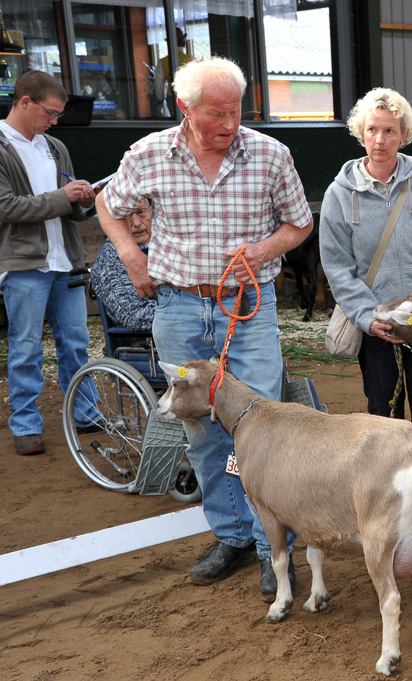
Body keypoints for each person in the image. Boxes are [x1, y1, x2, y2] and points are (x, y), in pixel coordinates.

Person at [95, 57, 313, 599]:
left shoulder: (270, 154)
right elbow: (108, 203)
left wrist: (263, 249)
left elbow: (299, 221)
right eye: (216, 113)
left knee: (265, 427)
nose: (230, 123)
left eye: (236, 111)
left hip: (249, 309)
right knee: (202, 429)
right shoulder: (147, 155)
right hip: (181, 309)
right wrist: (128, 252)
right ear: (186, 110)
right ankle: (233, 535)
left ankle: (273, 548)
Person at [319, 87, 412, 434]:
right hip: (377, 327)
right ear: (360, 133)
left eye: (389, 131)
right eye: (372, 130)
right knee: (385, 420)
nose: (379, 140)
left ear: (404, 135)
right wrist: (368, 317)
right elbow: (338, 268)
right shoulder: (339, 195)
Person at [0, 70, 102, 456]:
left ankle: (86, 412)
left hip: (66, 260)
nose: (55, 121)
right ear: (25, 102)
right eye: (51, 112)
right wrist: (64, 196)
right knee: (25, 347)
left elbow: (69, 211)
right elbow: (6, 207)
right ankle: (26, 425)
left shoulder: (54, 146)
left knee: (76, 343)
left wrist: (83, 201)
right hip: (24, 265)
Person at [91, 198, 155, 331]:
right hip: (151, 340)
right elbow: (133, 315)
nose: (137, 223)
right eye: (126, 215)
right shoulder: (111, 258)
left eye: (141, 212)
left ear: (151, 211)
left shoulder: (166, 245)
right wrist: (188, 313)